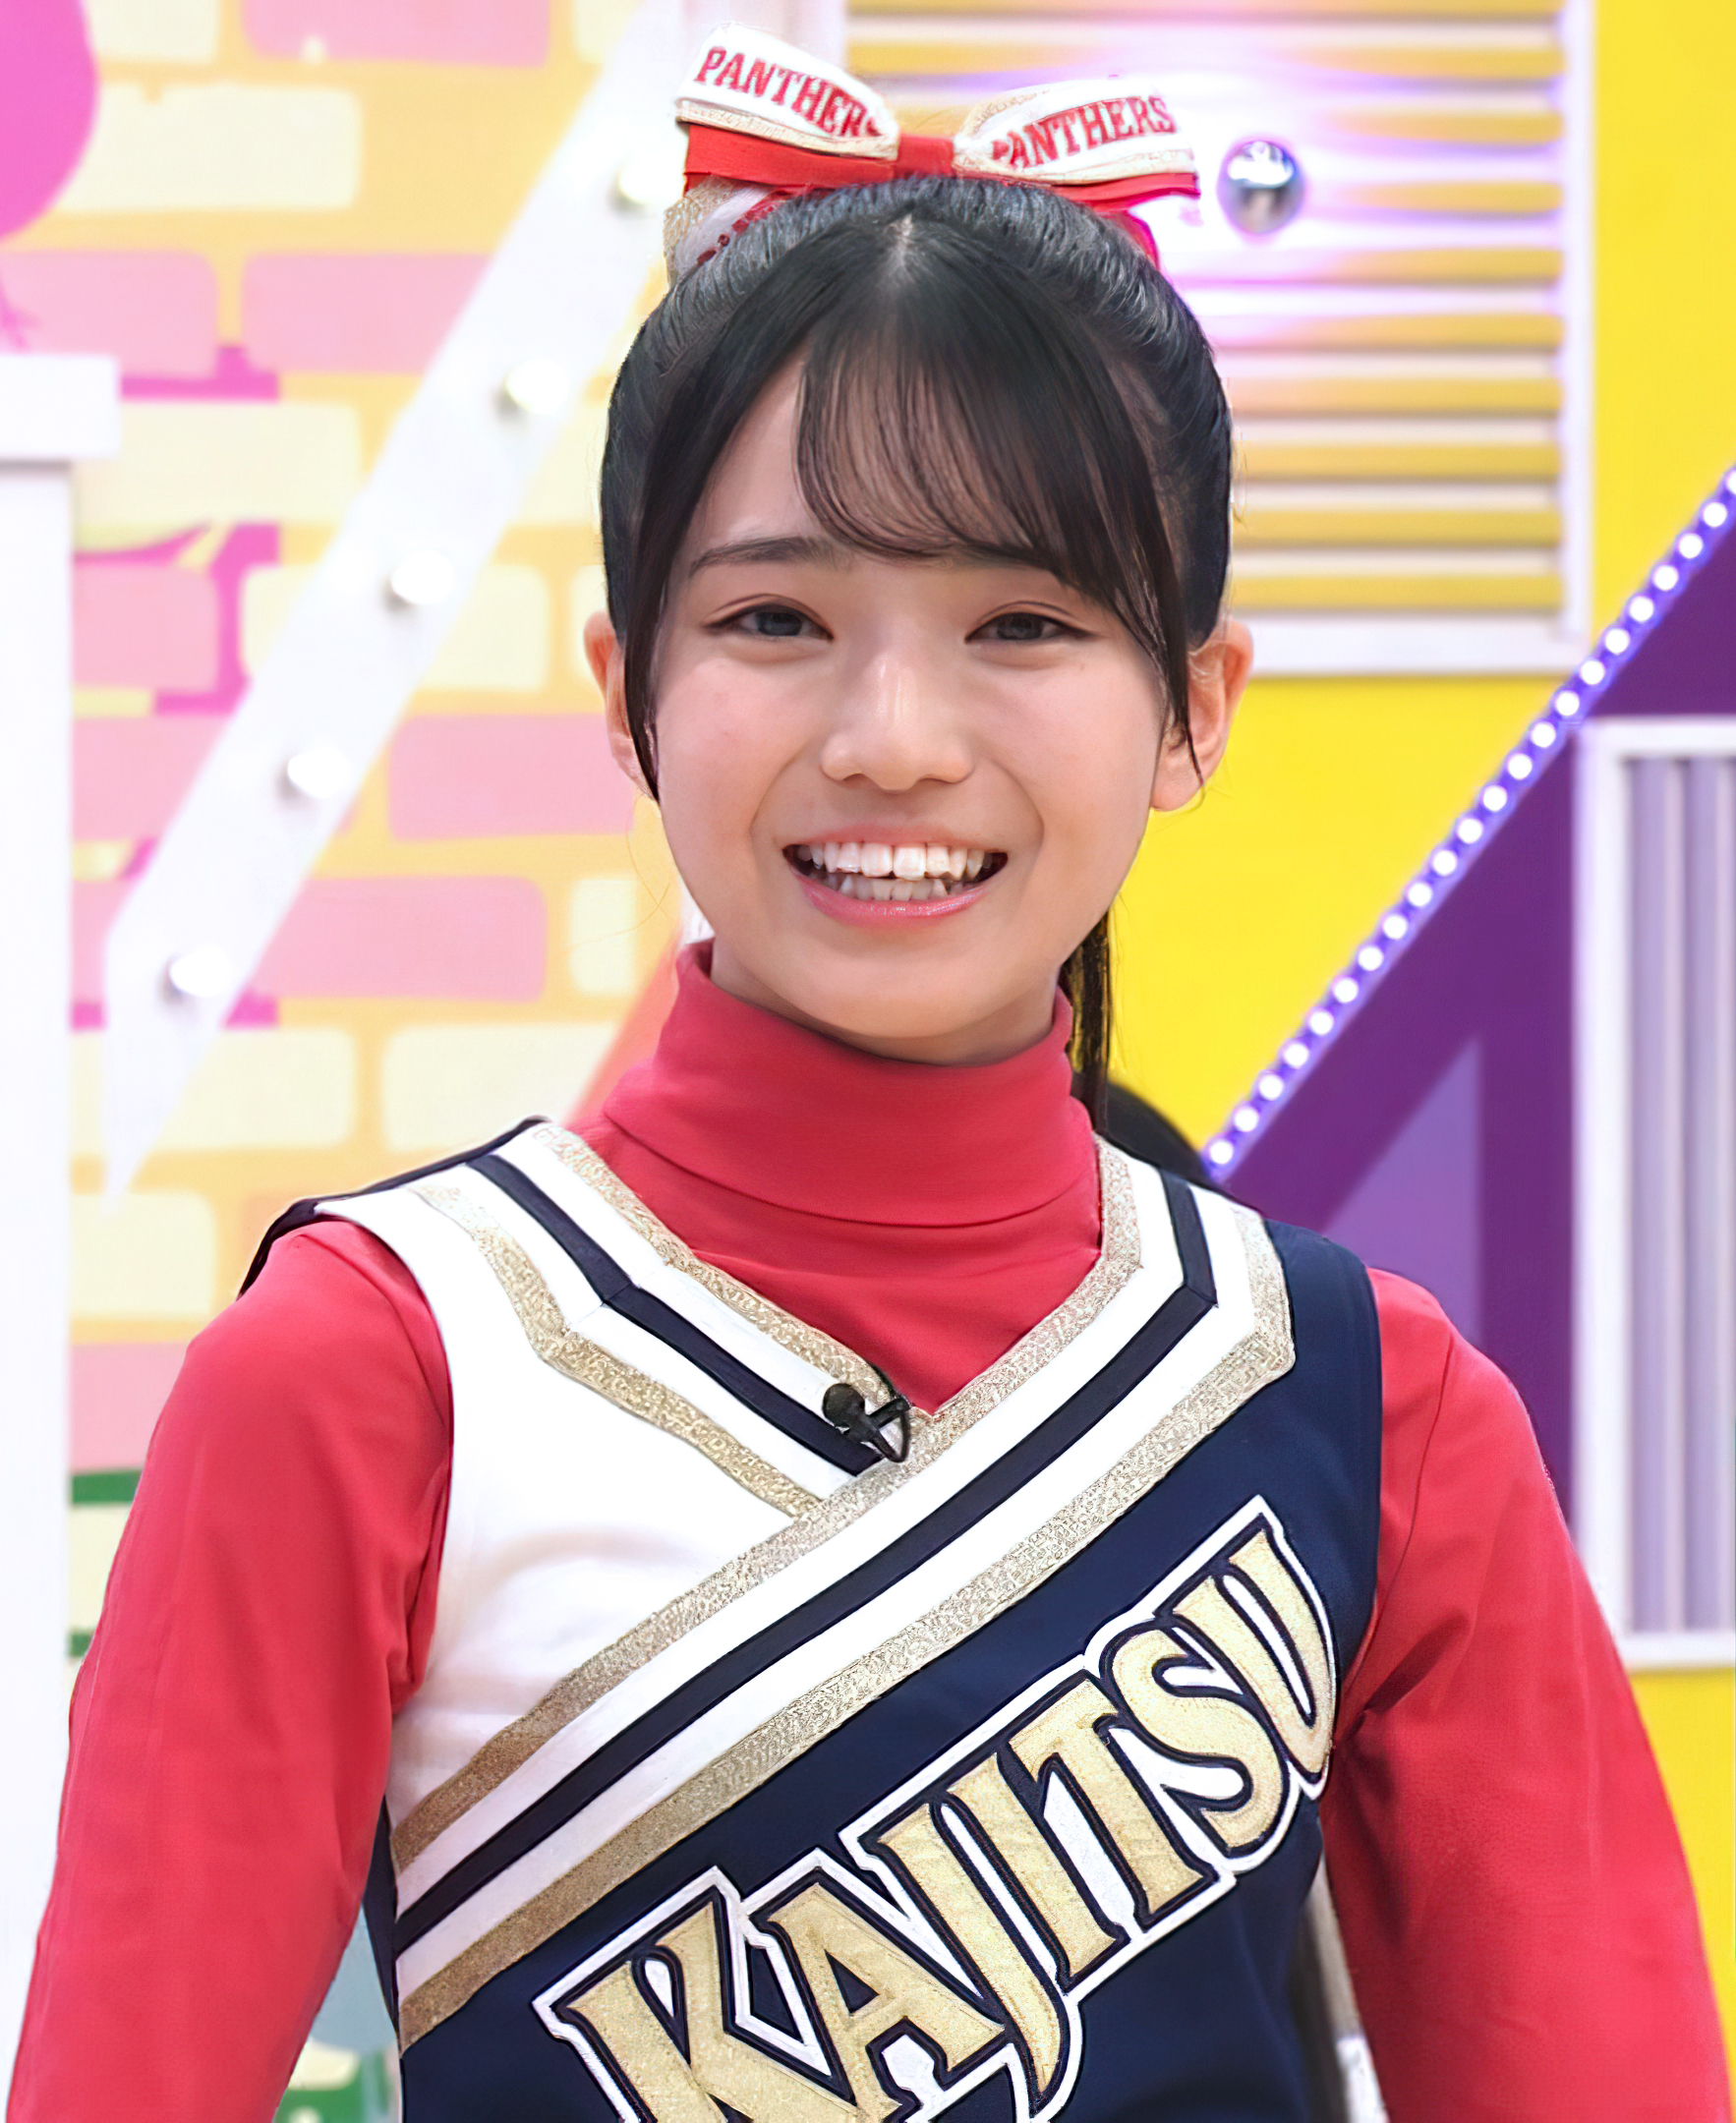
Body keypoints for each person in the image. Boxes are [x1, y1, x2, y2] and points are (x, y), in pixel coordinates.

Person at [11, 29, 1727, 2123]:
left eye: (1022, 623)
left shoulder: (1373, 1408)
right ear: (624, 689)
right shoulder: (377, 1368)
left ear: (1195, 706)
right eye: (774, 620)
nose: (892, 739)